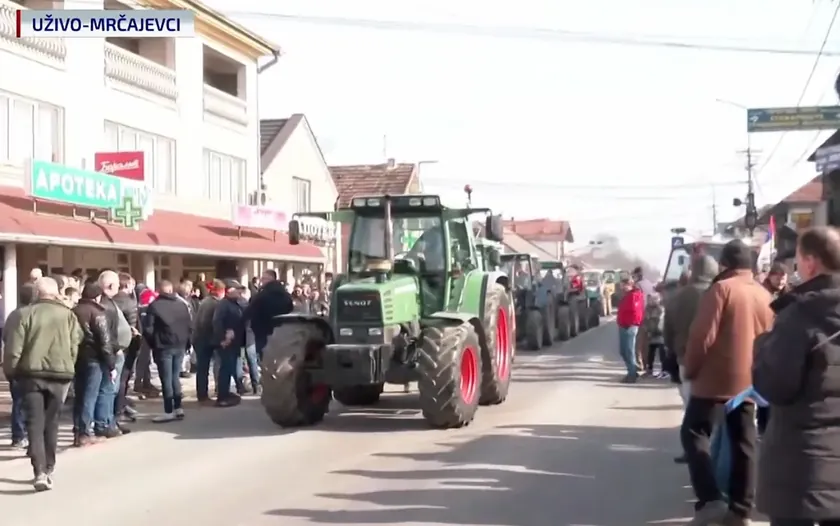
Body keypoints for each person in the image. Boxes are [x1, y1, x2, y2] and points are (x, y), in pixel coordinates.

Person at [681, 239, 774, 526]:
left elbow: (702, 336)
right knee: (744, 441)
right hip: (749, 382)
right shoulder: (764, 294)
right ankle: (741, 509)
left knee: (694, 432)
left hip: (715, 380)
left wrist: (691, 369)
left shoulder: (721, 289)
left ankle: (710, 499)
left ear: (725, 264)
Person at [753, 227, 840, 526]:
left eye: (799, 260)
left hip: (802, 464)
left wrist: (762, 347)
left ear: (811, 262)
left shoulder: (799, 315)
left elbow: (775, 387)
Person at [3, 277, 82, 491]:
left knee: (35, 423)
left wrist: (11, 372)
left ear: (37, 293)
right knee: (51, 422)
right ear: (55, 293)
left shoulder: (23, 314)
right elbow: (75, 344)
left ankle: (39, 471)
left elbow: (13, 348)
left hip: (31, 374)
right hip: (60, 374)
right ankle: (49, 466)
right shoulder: (68, 315)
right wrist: (69, 364)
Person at [664, 254, 719, 464]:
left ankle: (692, 450)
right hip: (715, 360)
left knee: (690, 407)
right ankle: (712, 450)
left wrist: (673, 350)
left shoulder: (678, 296)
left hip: (685, 359)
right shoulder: (718, 293)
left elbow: (668, 330)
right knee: (715, 409)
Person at [71, 283, 115, 447]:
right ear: (97, 297)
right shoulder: (97, 313)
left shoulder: (73, 311)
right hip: (94, 358)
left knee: (79, 395)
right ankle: (84, 433)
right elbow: (104, 341)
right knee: (90, 396)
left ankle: (77, 431)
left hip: (77, 357)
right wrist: (111, 364)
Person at [142, 280, 192, 423]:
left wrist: (154, 344)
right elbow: (189, 325)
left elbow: (148, 329)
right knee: (175, 377)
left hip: (163, 346)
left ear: (158, 290)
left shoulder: (155, 306)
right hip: (180, 345)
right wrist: (187, 343)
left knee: (166, 379)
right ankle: (178, 407)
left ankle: (168, 410)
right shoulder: (182, 305)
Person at [97, 270, 134, 437]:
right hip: (111, 352)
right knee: (108, 389)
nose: (119, 288)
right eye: (117, 285)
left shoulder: (109, 302)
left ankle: (110, 421)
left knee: (112, 389)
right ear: (110, 285)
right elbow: (106, 332)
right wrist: (115, 349)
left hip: (115, 350)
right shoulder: (104, 304)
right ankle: (104, 423)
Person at [2, 283, 36, 449]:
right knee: (23, 401)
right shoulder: (30, 315)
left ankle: (19, 435)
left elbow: (5, 337)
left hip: (13, 362)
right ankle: (20, 435)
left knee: (19, 400)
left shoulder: (13, 315)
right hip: (25, 363)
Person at [244, 269, 293, 360]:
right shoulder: (286, 295)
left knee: (264, 359)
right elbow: (290, 308)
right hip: (281, 331)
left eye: (263, 278)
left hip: (263, 331)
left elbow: (250, 311)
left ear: (270, 279)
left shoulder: (263, 295)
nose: (261, 281)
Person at [213, 279, 247, 407]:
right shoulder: (224, 304)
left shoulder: (236, 303)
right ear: (230, 290)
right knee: (225, 369)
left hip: (235, 342)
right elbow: (217, 322)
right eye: (237, 290)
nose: (240, 292)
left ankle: (226, 393)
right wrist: (223, 338)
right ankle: (222, 396)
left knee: (230, 368)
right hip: (227, 342)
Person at [113, 273, 140, 424]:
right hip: (126, 345)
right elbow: (133, 326)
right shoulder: (129, 303)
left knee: (114, 379)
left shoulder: (109, 301)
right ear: (127, 285)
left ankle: (119, 405)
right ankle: (119, 409)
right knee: (123, 378)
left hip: (112, 344)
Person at [194, 279, 225, 404]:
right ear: (220, 291)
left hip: (199, 338)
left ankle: (202, 394)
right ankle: (205, 394)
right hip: (207, 339)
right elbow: (209, 323)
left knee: (202, 368)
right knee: (207, 368)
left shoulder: (205, 301)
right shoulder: (215, 304)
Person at [615, 277, 644, 383]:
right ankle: (632, 370)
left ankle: (632, 374)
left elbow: (635, 312)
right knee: (623, 351)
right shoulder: (627, 295)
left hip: (629, 326)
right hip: (623, 325)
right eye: (622, 285)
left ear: (630, 285)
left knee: (629, 351)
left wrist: (629, 324)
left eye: (624, 285)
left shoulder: (634, 296)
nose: (622, 287)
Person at [237, 286, 260, 394]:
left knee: (239, 361)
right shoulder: (252, 308)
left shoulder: (235, 306)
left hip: (239, 339)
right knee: (252, 362)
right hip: (250, 339)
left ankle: (240, 386)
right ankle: (256, 386)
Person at [642, 293, 667, 378]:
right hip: (651, 334)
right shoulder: (647, 309)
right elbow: (645, 321)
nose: (652, 301)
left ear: (659, 299)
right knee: (650, 353)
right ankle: (649, 370)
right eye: (651, 299)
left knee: (662, 353)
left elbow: (661, 321)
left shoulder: (661, 309)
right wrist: (647, 330)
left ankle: (664, 370)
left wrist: (659, 331)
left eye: (655, 299)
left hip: (660, 333)